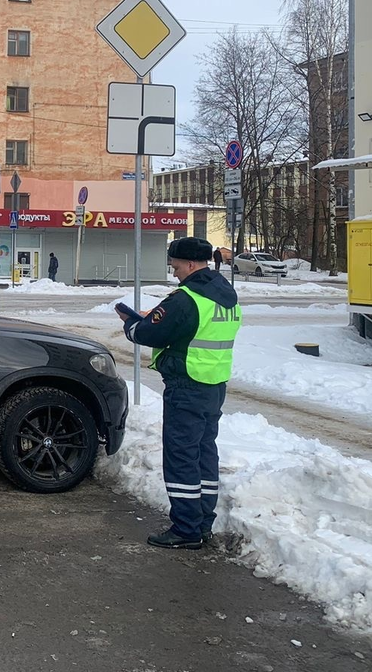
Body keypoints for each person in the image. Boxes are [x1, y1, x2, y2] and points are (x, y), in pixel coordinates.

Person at [115, 236, 241, 550]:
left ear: (188, 263)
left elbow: (149, 332)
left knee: (182, 457)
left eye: (174, 266)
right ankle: (202, 522)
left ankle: (186, 530)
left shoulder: (187, 297)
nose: (174, 273)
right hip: (213, 384)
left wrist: (132, 322)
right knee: (203, 455)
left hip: (187, 386)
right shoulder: (225, 293)